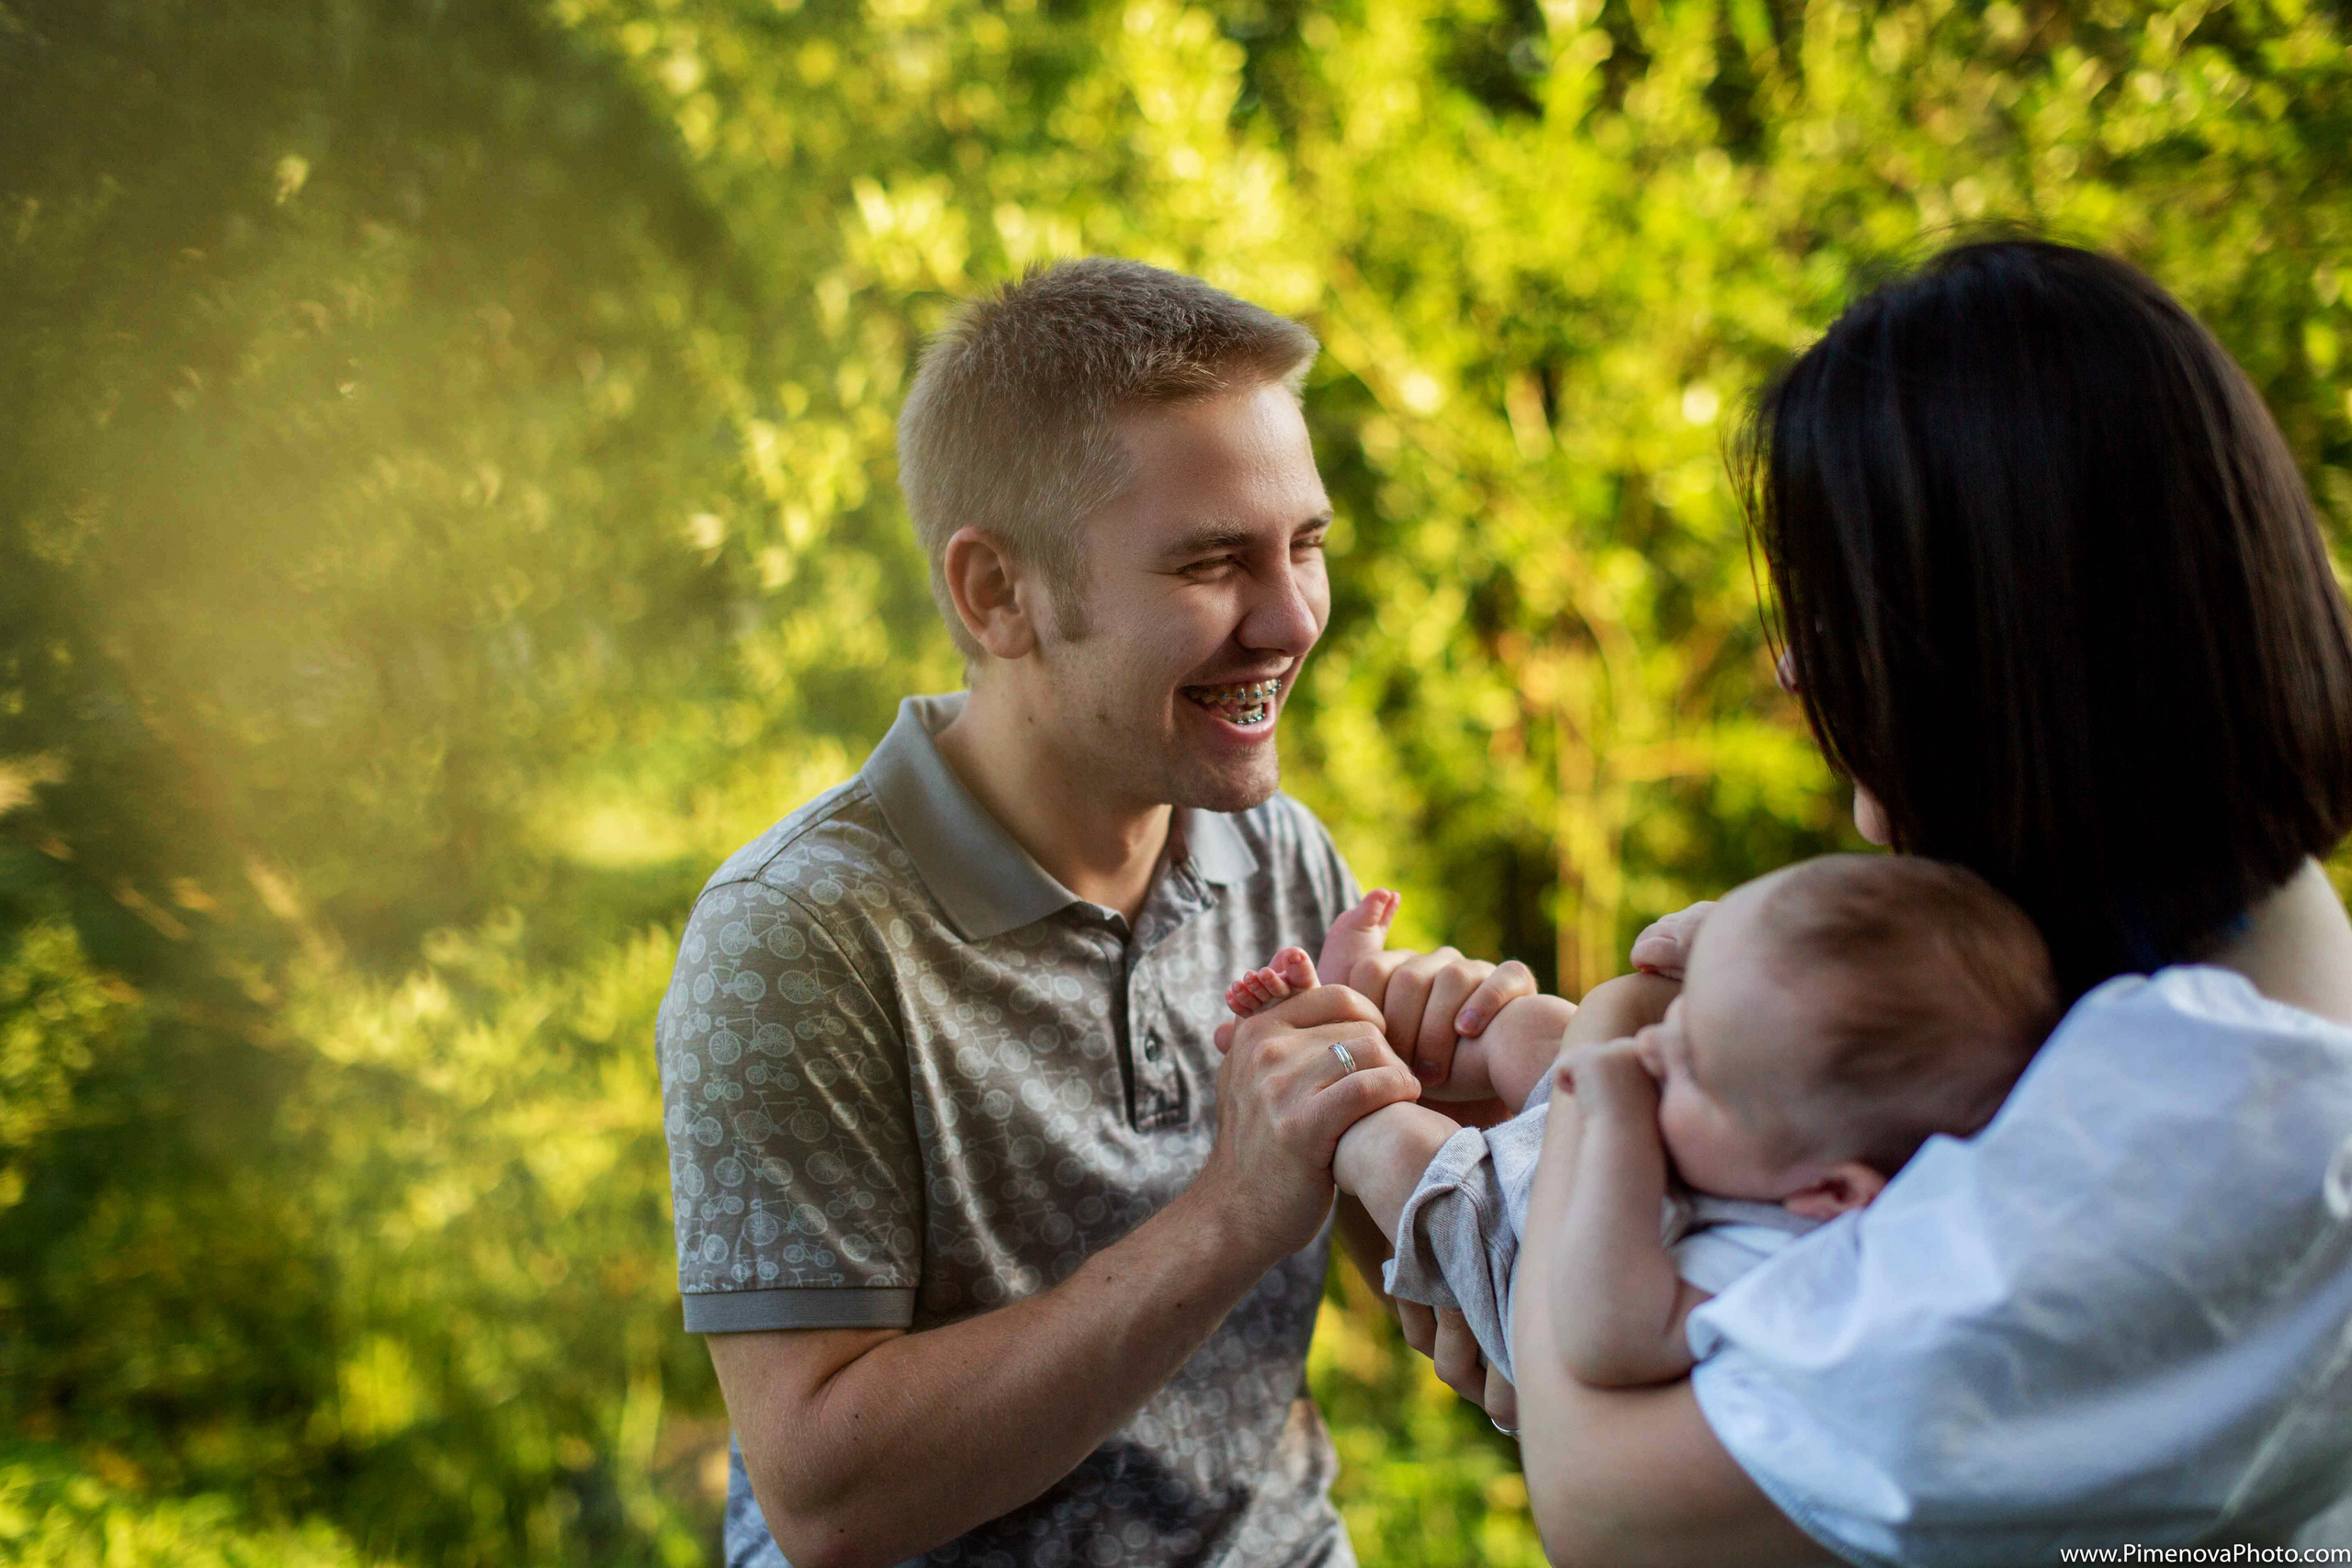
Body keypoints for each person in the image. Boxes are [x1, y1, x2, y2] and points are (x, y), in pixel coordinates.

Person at [652, 257, 1535, 1568]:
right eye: (1212, 562)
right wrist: (1227, 1210)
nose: (1292, 618)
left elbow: (1382, 1278)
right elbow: (826, 1498)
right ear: (995, 593)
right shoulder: (797, 937)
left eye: (1306, 545)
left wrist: (1424, 1115)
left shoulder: (1278, 849)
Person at [1501, 239, 2352, 1563]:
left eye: (1845, 612)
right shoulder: (2187, 939)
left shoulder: (2197, 1130)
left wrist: (1614, 1039)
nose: (1792, 669)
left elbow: (1610, 1509)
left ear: (2018, 640)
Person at [1231, 854, 2056, 1388]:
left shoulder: (1775, 1272)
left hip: (1532, 1248)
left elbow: (1606, 1337)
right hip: (1631, 1150)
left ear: (1830, 1190)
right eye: (1685, 1022)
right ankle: (1371, 1007)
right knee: (1533, 1026)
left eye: (1702, 1067)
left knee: (1404, 1149)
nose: (1655, 1049)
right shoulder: (1760, 1113)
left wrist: (1617, 1122)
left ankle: (1321, 1065)